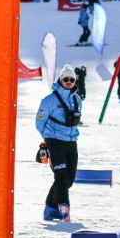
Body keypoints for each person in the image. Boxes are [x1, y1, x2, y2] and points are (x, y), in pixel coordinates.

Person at [34, 64, 83, 222]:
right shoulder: (49, 100)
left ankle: (50, 208)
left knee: (69, 179)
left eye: (72, 80)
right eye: (66, 79)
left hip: (71, 141)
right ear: (60, 80)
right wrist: (47, 138)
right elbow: (39, 122)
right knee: (61, 175)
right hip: (55, 141)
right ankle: (64, 209)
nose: (69, 82)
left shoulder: (77, 99)